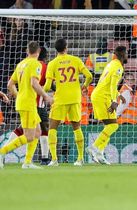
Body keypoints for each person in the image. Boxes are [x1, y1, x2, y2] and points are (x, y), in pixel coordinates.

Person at [0, 41, 52, 169]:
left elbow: (10, 84)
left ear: (27, 51)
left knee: (38, 132)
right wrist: (46, 96)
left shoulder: (21, 64)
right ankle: (1, 152)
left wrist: (18, 96)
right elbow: (34, 83)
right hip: (28, 103)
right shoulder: (36, 64)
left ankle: (27, 162)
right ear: (38, 52)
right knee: (29, 136)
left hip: (24, 102)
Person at [44, 39, 93, 167]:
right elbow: (89, 76)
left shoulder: (52, 64)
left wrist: (40, 93)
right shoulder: (75, 60)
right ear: (66, 48)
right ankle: (80, 159)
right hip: (75, 99)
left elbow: (48, 85)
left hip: (60, 99)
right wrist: (85, 86)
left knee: (52, 128)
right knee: (76, 128)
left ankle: (54, 160)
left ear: (56, 49)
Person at [87, 46, 127, 165]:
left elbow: (107, 82)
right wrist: (115, 100)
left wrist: (119, 95)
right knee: (113, 126)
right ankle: (94, 148)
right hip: (102, 97)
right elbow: (113, 85)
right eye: (126, 53)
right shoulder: (118, 67)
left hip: (100, 95)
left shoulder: (111, 64)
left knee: (109, 126)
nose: (127, 55)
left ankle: (100, 154)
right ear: (122, 55)